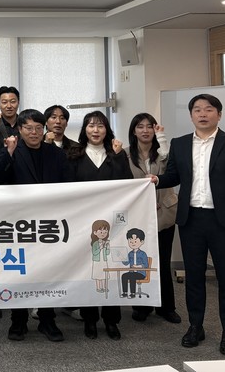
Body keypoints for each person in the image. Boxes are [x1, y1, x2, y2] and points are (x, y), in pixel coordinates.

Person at [155, 94, 225, 356]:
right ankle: (195, 326)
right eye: (197, 110)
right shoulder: (180, 143)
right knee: (194, 276)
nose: (202, 114)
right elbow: (173, 175)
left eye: (209, 109)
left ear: (219, 114)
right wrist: (157, 180)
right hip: (191, 219)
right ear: (191, 115)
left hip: (224, 220)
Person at [0, 109, 70, 342]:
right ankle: (18, 321)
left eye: (38, 128)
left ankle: (47, 320)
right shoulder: (11, 151)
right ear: (20, 130)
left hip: (48, 224)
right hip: (19, 224)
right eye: (28, 128)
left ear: (44, 129)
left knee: (48, 273)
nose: (34, 133)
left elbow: (69, 185)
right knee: (20, 273)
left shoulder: (56, 154)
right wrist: (8, 153)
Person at [67, 110, 133, 341]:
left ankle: (111, 320)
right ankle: (90, 319)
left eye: (100, 126)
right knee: (89, 271)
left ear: (107, 130)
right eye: (91, 125)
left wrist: (118, 156)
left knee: (111, 270)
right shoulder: (74, 154)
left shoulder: (116, 154)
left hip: (112, 223)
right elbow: (67, 189)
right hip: (83, 223)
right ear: (84, 129)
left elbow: (126, 183)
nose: (95, 130)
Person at [125, 113, 180, 325]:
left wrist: (162, 139)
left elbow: (173, 172)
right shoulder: (124, 154)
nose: (145, 130)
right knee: (140, 263)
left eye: (149, 126)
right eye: (140, 126)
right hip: (138, 216)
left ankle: (167, 308)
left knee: (163, 262)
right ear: (134, 130)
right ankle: (142, 306)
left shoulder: (164, 152)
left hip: (164, 212)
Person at [120, 228, 149, 298]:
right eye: (130, 241)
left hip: (141, 273)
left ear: (142, 242)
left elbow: (146, 265)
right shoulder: (130, 254)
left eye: (135, 241)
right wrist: (122, 258)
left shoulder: (143, 254)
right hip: (132, 272)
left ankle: (132, 294)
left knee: (132, 276)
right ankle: (125, 292)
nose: (133, 243)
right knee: (124, 276)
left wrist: (138, 266)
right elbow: (126, 263)